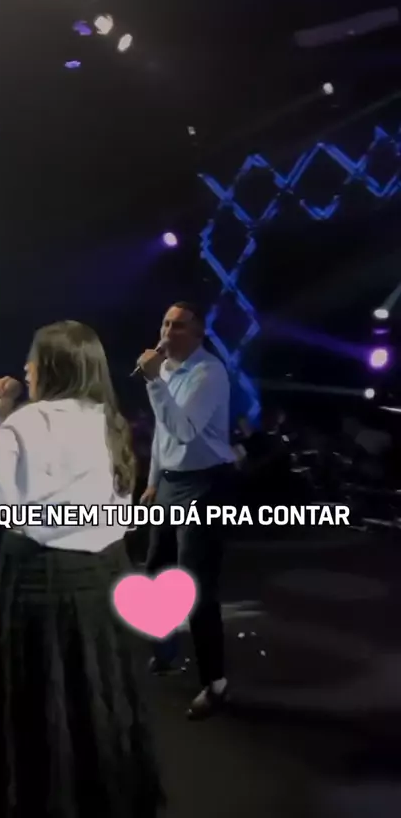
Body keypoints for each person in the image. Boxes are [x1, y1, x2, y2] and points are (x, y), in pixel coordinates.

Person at [0, 320, 165, 818]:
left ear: (52, 366)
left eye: (33, 358)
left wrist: (14, 418)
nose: (25, 366)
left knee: (46, 708)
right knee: (93, 702)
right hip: (103, 579)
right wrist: (9, 412)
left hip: (46, 584)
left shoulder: (37, 424)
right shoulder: (107, 418)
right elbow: (40, 473)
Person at [137, 302, 236, 720]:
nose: (167, 331)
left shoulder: (208, 373)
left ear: (198, 334)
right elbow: (162, 435)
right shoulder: (167, 370)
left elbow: (183, 430)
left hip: (206, 484)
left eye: (178, 326)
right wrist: (152, 481)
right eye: (165, 323)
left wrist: (152, 383)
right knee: (155, 569)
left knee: (196, 584)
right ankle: (166, 650)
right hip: (171, 482)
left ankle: (215, 683)